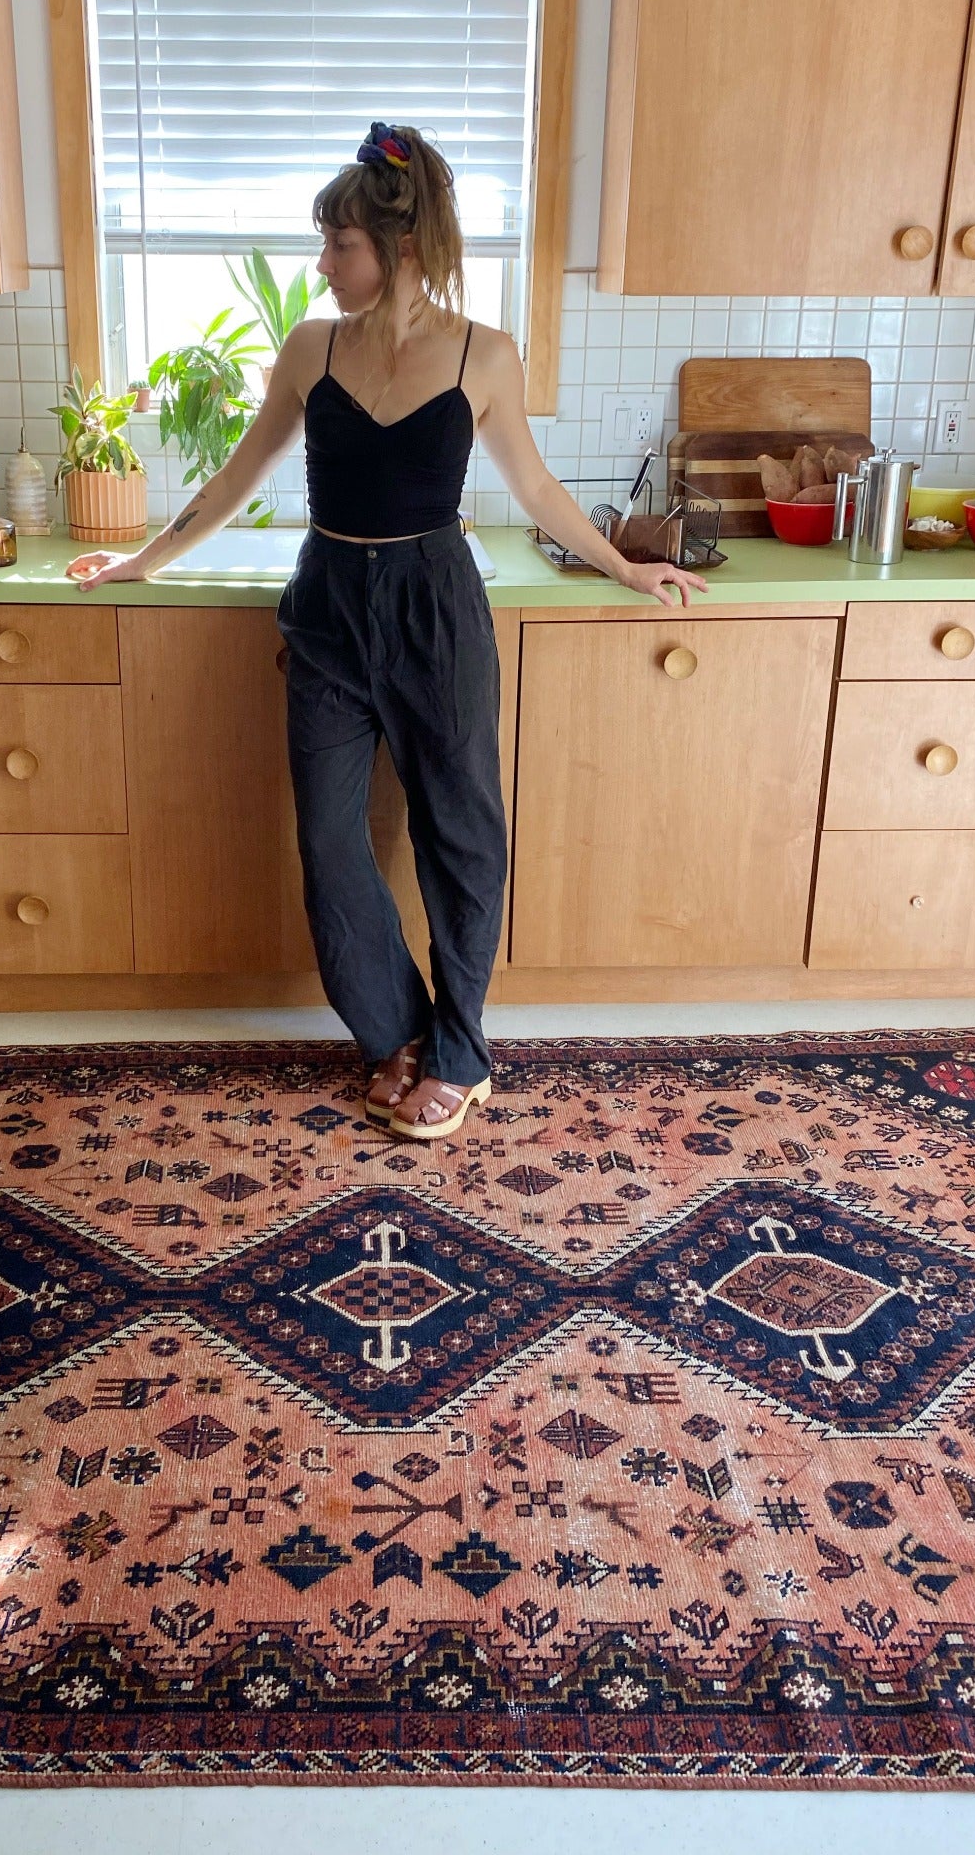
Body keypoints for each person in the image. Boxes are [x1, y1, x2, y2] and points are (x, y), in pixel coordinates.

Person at [66, 121, 707, 1141]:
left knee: (460, 833)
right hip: (327, 603)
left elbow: (534, 486)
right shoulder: (310, 348)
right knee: (328, 837)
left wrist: (624, 563)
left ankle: (460, 1050)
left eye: (339, 246)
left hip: (434, 603)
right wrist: (143, 558)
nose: (322, 266)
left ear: (401, 247)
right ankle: (396, 1026)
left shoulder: (481, 353)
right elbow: (238, 475)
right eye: (325, 244)